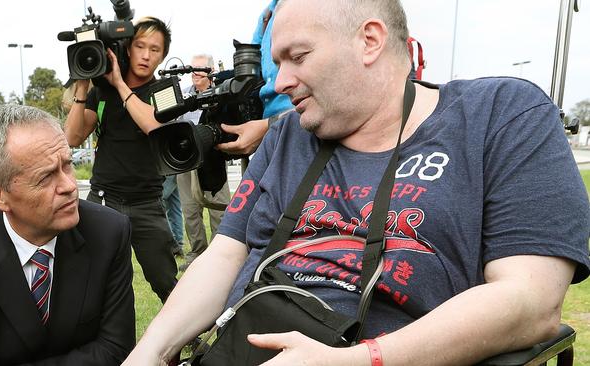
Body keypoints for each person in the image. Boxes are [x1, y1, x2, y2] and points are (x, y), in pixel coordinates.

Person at [123, 0, 590, 365]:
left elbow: (530, 300)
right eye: (276, 63)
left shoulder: (500, 116)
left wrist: (356, 361)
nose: (278, 83)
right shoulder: (286, 135)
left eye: (297, 57)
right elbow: (227, 253)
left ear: (369, 40)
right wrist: (150, 350)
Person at [0, 104, 135, 365]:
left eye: (67, 165)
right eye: (45, 178)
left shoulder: (109, 233)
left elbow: (116, 348)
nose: (69, 186)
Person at [64, 16, 178, 302]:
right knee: (94, 278)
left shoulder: (165, 89)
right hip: (103, 199)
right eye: (140, 46)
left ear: (162, 56)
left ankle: (187, 338)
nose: (146, 55)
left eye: (155, 49)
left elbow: (152, 125)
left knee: (163, 278)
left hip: (147, 202)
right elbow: (72, 138)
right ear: (128, 48)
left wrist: (119, 84)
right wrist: (82, 87)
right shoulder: (101, 91)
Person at [215, 0, 293, 156]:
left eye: (299, 57)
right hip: (269, 138)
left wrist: (269, 126)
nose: (280, 85)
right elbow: (252, 74)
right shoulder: (266, 16)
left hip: (307, 132)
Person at [176, 54, 232, 271]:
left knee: (219, 209)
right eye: (192, 69)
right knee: (190, 210)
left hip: (213, 159)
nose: (195, 73)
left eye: (200, 69)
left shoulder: (220, 94)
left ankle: (219, 253)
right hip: (186, 160)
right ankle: (197, 253)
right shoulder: (183, 96)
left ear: (211, 71)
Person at [162, 175, 185, 257]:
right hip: (175, 169)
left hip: (166, 169)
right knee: (174, 206)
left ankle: (174, 245)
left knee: (157, 202)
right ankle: (178, 244)